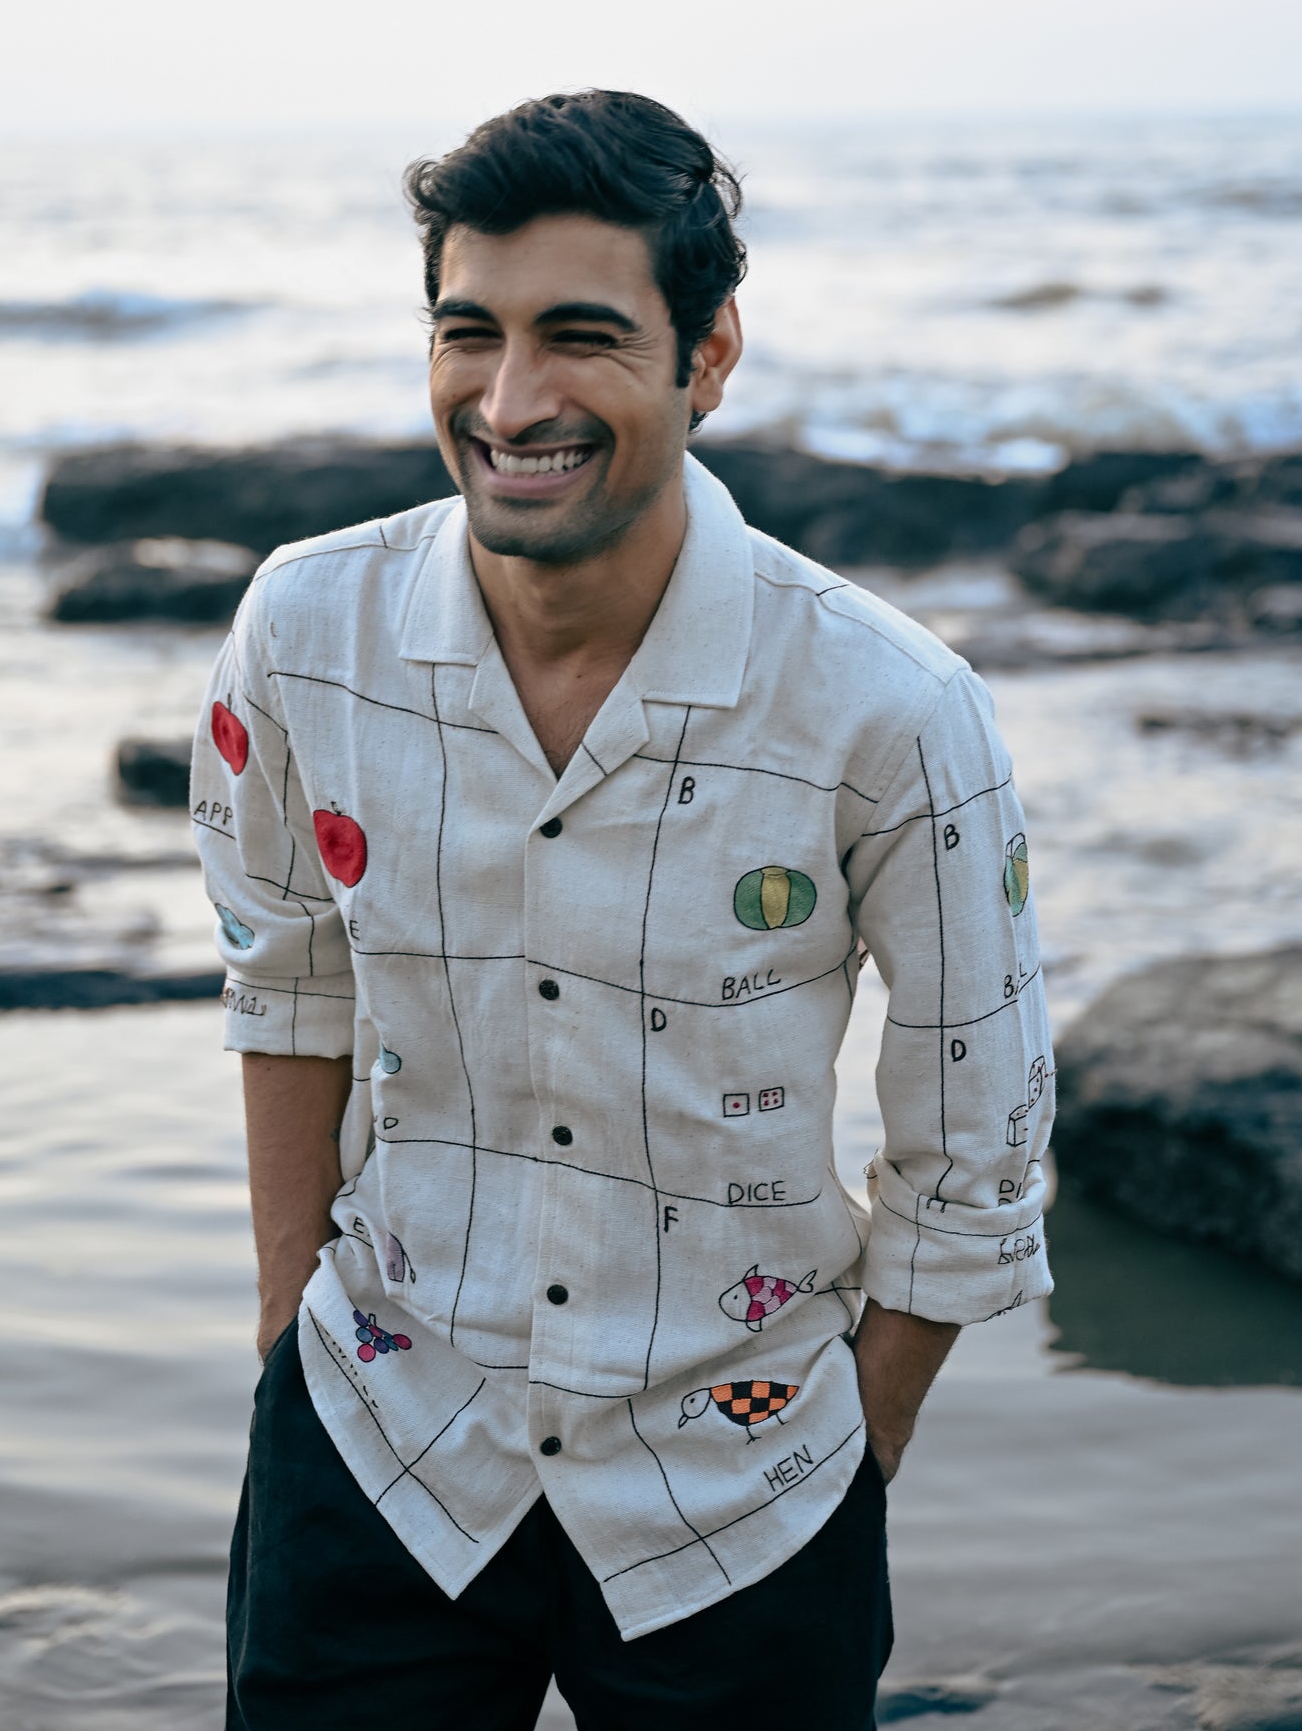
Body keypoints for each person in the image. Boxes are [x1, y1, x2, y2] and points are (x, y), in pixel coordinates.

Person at [192, 90, 1054, 1730]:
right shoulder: (304, 633)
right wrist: (280, 1329)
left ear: (706, 354)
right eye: (469, 334)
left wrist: (853, 1443)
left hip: (745, 1488)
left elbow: (974, 1132)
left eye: (578, 336)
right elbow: (286, 986)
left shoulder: (889, 708)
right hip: (376, 1441)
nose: (510, 400)